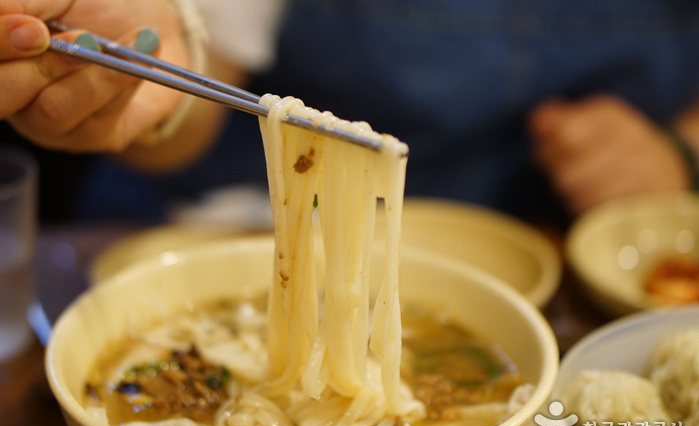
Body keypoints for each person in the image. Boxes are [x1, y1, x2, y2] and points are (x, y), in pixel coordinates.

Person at [2, 0, 699, 226]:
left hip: (592, 252)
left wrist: (679, 151)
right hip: (248, 218)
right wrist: (146, 97)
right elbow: (193, 97)